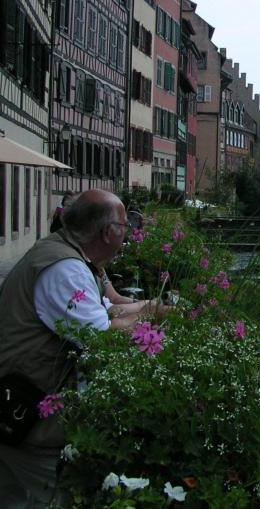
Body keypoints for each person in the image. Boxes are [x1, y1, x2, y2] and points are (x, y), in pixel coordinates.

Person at [0, 189, 168, 507]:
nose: (128, 233)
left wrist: (150, 308)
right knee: (60, 496)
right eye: (125, 226)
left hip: (17, 402)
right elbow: (101, 337)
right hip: (28, 415)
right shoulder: (65, 268)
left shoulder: (62, 254)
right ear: (107, 232)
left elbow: (103, 311)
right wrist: (154, 317)